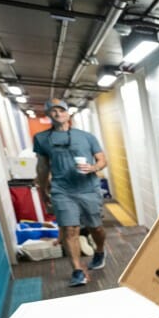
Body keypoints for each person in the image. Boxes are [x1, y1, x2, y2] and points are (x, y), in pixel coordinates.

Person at [34, 98, 108, 287]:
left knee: (95, 227)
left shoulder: (86, 136)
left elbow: (102, 160)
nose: (58, 114)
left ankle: (99, 250)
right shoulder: (41, 139)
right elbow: (42, 167)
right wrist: (42, 190)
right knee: (69, 229)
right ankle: (77, 270)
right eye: (53, 111)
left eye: (61, 110)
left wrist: (93, 168)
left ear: (68, 113)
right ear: (49, 115)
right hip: (62, 190)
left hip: (88, 188)